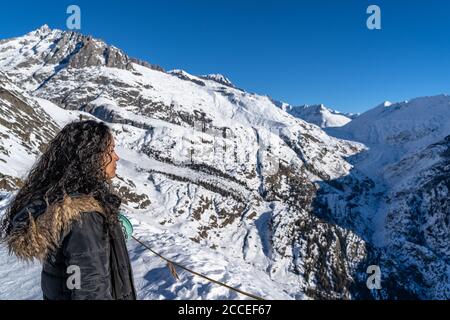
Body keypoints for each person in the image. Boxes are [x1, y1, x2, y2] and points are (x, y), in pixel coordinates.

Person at [0, 120, 137, 300]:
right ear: (90, 156)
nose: (116, 157)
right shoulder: (84, 218)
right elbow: (89, 290)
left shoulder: (59, 204)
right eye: (110, 150)